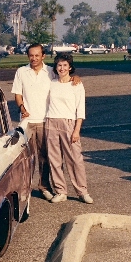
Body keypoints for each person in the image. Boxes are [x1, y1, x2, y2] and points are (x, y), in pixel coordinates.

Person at [45, 53, 93, 204]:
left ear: (70, 67)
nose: (62, 68)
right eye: (59, 65)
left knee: (75, 159)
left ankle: (82, 191)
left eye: (65, 65)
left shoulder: (76, 84)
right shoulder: (51, 83)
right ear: (55, 67)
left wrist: (76, 130)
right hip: (51, 122)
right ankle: (60, 191)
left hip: (69, 124)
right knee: (55, 159)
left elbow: (80, 109)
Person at [11, 43, 55, 201]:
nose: (34, 58)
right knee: (27, 158)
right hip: (27, 122)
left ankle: (44, 187)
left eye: (37, 55)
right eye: (31, 55)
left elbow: (66, 79)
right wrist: (22, 107)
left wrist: (76, 78)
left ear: (43, 56)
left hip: (45, 120)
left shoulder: (51, 71)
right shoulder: (22, 72)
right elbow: (17, 94)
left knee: (45, 157)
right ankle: (25, 188)